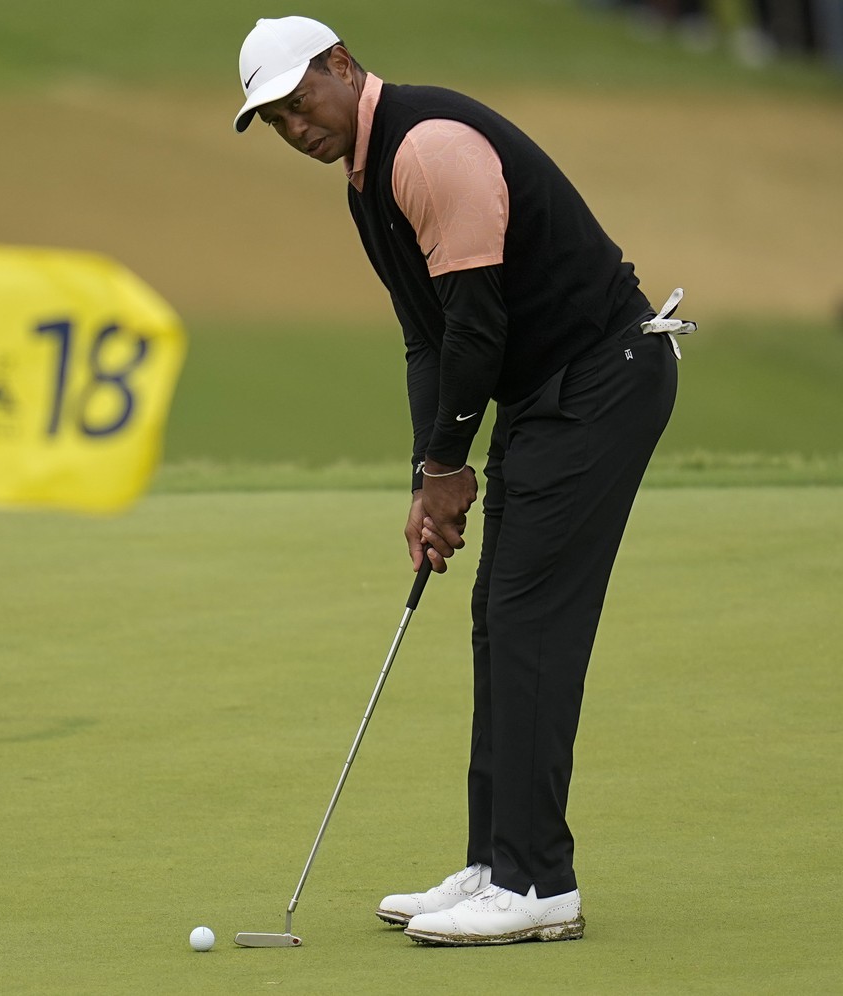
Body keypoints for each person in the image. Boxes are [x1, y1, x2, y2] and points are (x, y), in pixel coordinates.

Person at [232, 15, 686, 945]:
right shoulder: (367, 181)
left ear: (341, 65)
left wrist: (451, 468)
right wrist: (426, 478)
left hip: (601, 379)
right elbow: (428, 341)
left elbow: (476, 328)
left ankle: (536, 885)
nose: (292, 127)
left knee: (529, 618)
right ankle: (495, 864)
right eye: (272, 119)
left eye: (295, 101)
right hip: (550, 393)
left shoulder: (428, 149)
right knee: (502, 616)